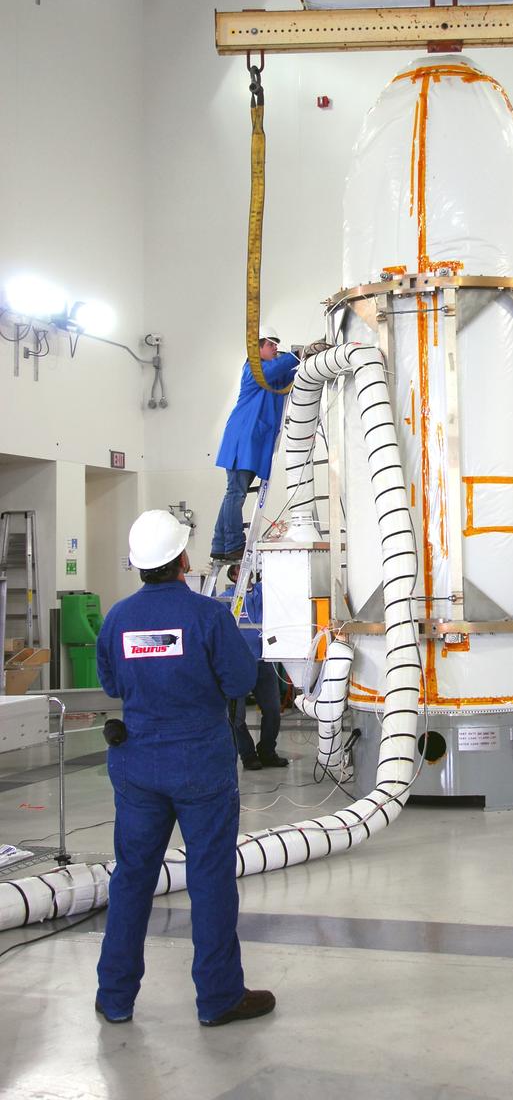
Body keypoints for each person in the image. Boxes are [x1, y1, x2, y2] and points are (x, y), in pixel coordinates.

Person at [95, 509, 276, 1028]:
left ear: (139, 565)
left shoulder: (117, 618)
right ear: (183, 559)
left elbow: (112, 685)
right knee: (210, 879)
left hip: (137, 765)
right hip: (200, 764)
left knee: (132, 878)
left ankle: (114, 996)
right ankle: (219, 999)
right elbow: (241, 680)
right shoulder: (208, 615)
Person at [211, 326, 299, 561]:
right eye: (271, 344)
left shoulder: (271, 373)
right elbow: (277, 368)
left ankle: (220, 544)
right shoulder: (253, 368)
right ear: (257, 347)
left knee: (234, 493)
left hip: (253, 441)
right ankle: (233, 543)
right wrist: (296, 354)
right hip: (243, 438)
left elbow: (288, 375)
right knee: (236, 493)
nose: (275, 349)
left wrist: (309, 360)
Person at [220, 562, 288, 771]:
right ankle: (248, 755)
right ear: (233, 575)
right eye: (241, 569)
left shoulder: (260, 592)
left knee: (273, 711)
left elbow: (276, 577)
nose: (246, 571)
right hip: (237, 665)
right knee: (236, 717)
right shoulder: (227, 598)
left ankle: (267, 752)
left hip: (264, 662)